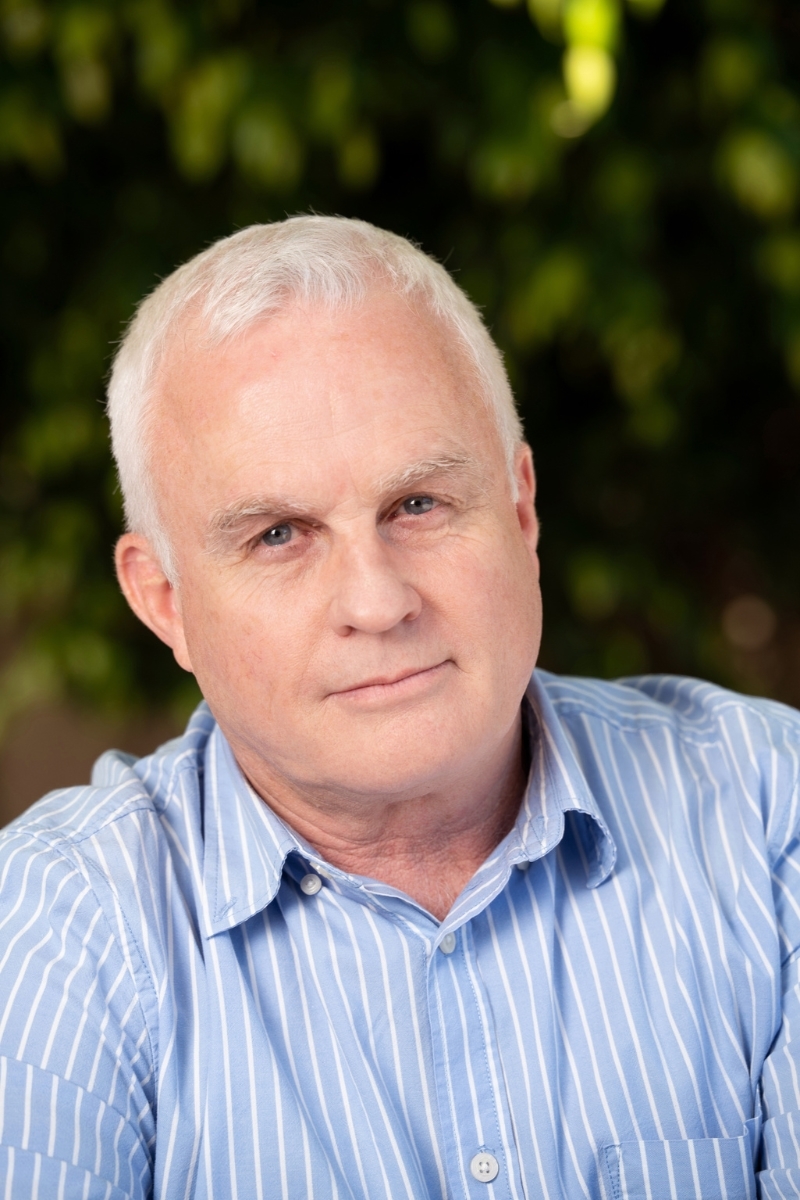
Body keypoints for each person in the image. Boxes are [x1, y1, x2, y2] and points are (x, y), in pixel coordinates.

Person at [0, 216, 798, 1200]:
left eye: (417, 504)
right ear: (165, 601)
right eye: (279, 534)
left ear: (520, 510)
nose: (378, 603)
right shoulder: (55, 926)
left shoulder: (771, 811)